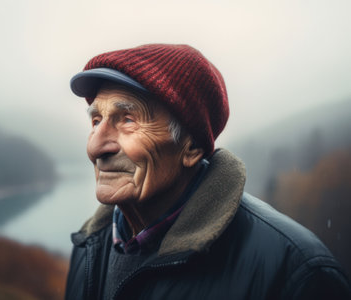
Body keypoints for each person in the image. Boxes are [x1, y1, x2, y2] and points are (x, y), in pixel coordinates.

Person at [65, 44, 350, 300]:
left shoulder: (296, 273)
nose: (95, 147)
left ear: (191, 148)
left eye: (127, 120)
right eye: (96, 120)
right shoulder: (88, 245)